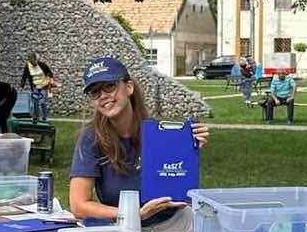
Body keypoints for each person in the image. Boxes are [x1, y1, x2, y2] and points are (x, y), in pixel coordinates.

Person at [69, 56, 208, 223]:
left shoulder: (160, 134)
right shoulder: (91, 138)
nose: (103, 95)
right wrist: (134, 213)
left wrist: (188, 148)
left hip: (175, 224)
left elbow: (181, 193)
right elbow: (78, 206)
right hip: (124, 228)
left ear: (129, 87)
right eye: (95, 92)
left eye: (110, 86)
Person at [20, 51, 57, 123]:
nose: (34, 63)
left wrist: (50, 79)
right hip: (35, 86)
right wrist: (22, 86)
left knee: (43, 102)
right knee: (35, 102)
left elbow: (50, 73)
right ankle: (36, 117)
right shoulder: (28, 66)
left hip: (44, 86)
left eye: (35, 61)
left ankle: (44, 117)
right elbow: (24, 76)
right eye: (32, 62)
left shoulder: (42, 65)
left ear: (37, 60)